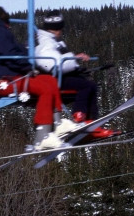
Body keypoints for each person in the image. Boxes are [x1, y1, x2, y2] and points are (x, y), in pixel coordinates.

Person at [0, 5, 64, 147]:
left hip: (10, 77)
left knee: (50, 81)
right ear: (4, 21)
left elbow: (14, 52)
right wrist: (28, 67)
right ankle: (42, 135)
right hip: (3, 82)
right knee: (45, 88)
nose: (10, 28)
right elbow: (11, 55)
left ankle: (59, 124)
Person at [35, 11, 114, 140]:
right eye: (59, 28)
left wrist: (76, 64)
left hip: (55, 77)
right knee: (86, 86)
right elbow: (51, 64)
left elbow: (59, 61)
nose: (61, 31)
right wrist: (74, 58)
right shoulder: (46, 42)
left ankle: (90, 123)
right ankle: (81, 117)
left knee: (90, 86)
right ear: (57, 28)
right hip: (52, 80)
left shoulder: (52, 41)